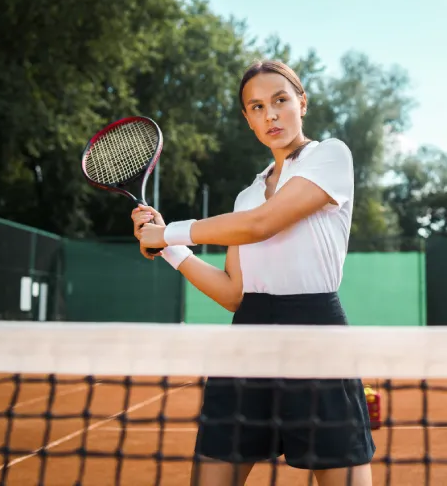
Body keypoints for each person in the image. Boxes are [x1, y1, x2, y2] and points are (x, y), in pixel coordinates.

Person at [130, 60, 375, 486]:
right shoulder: (246, 196)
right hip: (247, 340)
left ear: (301, 101)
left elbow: (262, 223)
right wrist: (169, 250)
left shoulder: (330, 156)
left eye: (280, 100)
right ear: (248, 119)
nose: (271, 115)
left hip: (316, 336)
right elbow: (234, 293)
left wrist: (167, 232)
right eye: (257, 107)